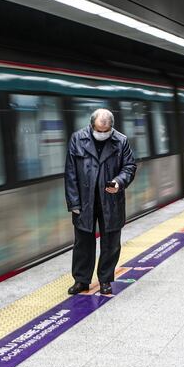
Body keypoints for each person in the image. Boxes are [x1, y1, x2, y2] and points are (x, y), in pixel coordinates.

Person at [65, 108, 137, 295]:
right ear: (91, 126)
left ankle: (105, 280)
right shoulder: (77, 139)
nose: (102, 134)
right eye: (99, 130)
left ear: (111, 128)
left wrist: (119, 182)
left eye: (106, 131)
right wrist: (74, 203)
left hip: (111, 200)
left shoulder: (121, 141)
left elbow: (129, 167)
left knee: (111, 244)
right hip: (85, 202)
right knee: (83, 243)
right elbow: (70, 173)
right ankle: (81, 280)